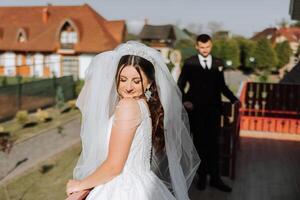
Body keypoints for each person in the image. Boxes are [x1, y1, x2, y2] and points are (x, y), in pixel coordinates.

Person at [66, 41, 200, 200]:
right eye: (123, 79)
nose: (128, 87)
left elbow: (114, 166)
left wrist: (80, 185)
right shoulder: (143, 103)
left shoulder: (128, 105)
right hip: (144, 184)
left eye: (136, 81)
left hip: (123, 188)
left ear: (149, 82)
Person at [177, 34, 240, 192]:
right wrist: (184, 100)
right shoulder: (190, 62)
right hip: (196, 110)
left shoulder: (218, 63)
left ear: (211, 46)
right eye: (202, 47)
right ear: (197, 46)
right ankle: (202, 177)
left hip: (213, 110)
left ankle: (216, 179)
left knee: (214, 145)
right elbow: (180, 84)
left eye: (208, 47)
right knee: (199, 145)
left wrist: (234, 99)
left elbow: (222, 86)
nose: (205, 50)